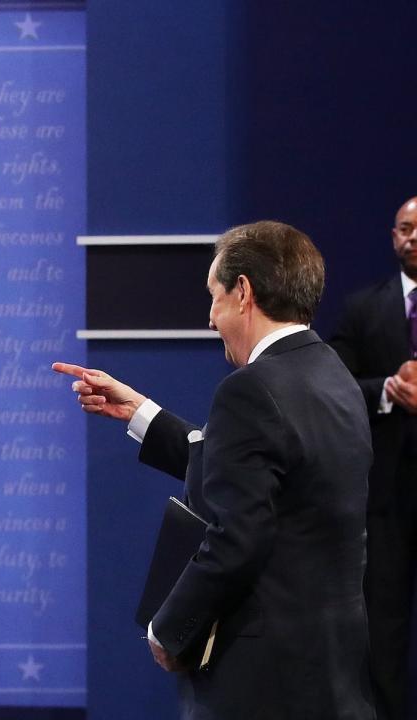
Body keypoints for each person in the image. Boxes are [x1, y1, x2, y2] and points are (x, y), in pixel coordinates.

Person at [54, 221, 374, 719]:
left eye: (213, 296)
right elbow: (250, 473)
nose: (210, 319)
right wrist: (141, 412)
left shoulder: (250, 389)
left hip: (261, 683)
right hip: (328, 670)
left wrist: (169, 628)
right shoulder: (332, 375)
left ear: (242, 292)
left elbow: (238, 535)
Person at [330, 196, 417, 720]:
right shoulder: (364, 307)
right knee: (381, 627)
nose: (414, 238)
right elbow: (335, 383)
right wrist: (387, 388)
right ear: (392, 237)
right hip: (384, 496)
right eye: (406, 228)